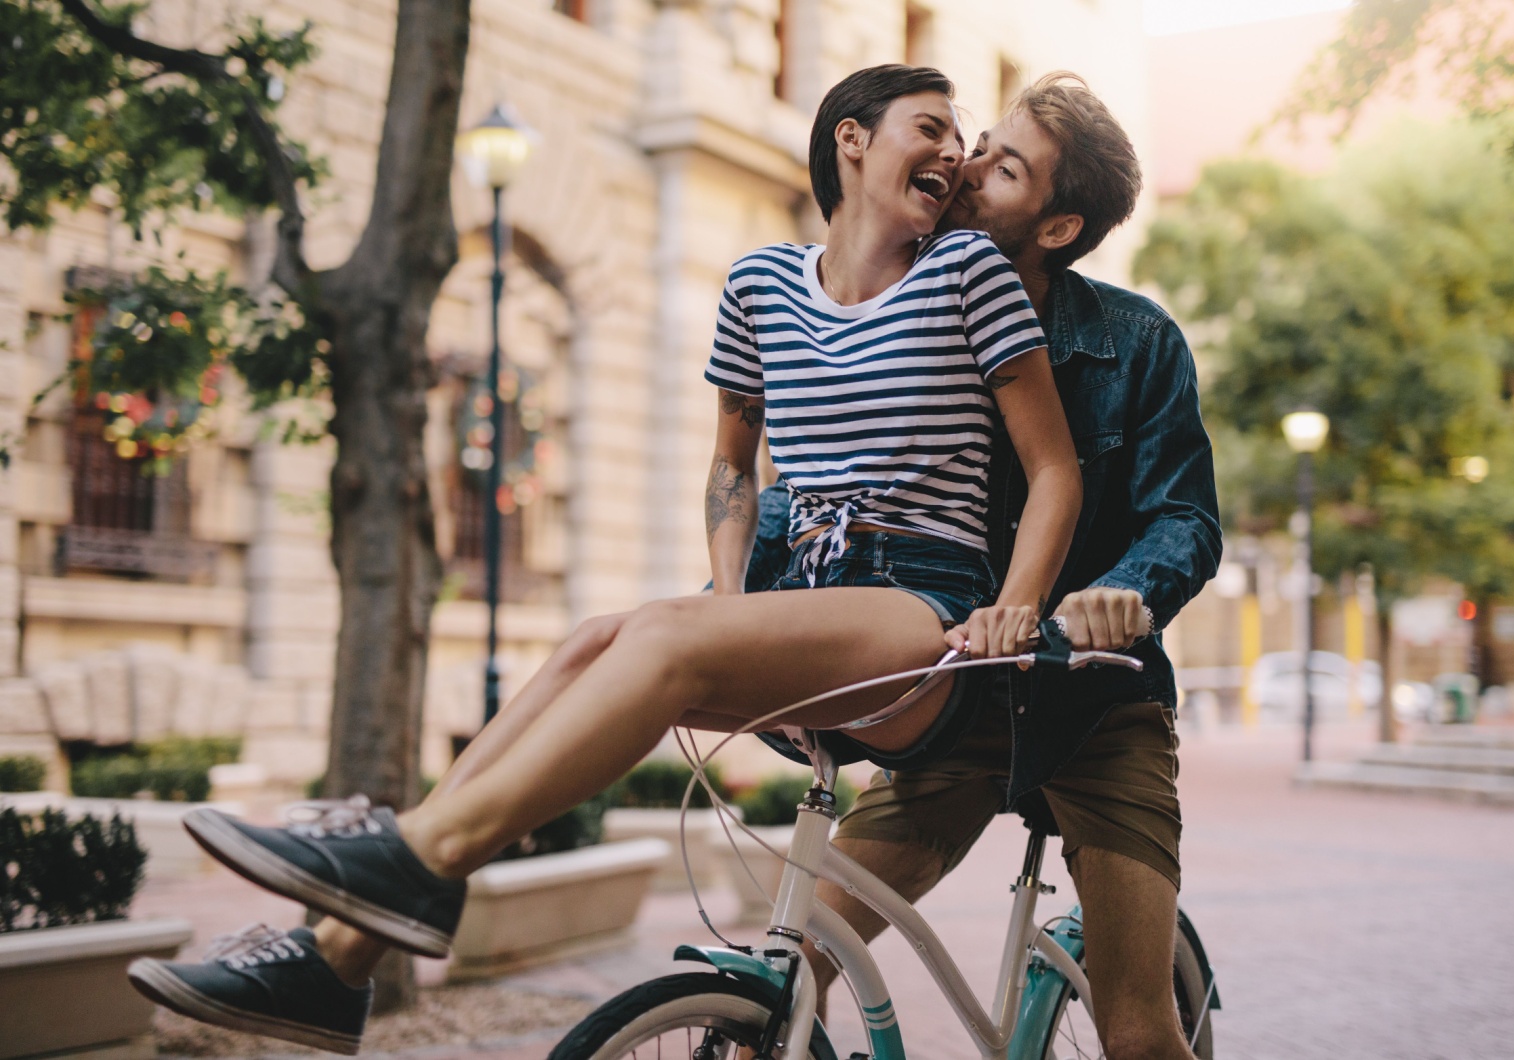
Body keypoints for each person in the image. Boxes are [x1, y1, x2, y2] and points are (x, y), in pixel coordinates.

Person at [127, 64, 1084, 1055]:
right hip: (804, 601)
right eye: (928, 126)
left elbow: (1053, 469)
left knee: (659, 636)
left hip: (918, 610)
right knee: (593, 642)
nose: (952, 153)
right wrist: (730, 600)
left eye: (961, 138)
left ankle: (411, 854)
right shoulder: (760, 284)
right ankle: (333, 965)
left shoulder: (968, 275)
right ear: (851, 138)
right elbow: (730, 466)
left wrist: (1014, 607)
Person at [805, 73, 1222, 1060]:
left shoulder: (1136, 342)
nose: (966, 164)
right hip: (954, 701)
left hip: (1094, 702)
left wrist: (1123, 594)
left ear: (1056, 224)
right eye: (979, 139)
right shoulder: (903, 316)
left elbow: (1186, 521)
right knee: (802, 943)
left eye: (1004, 164)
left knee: (1133, 1026)